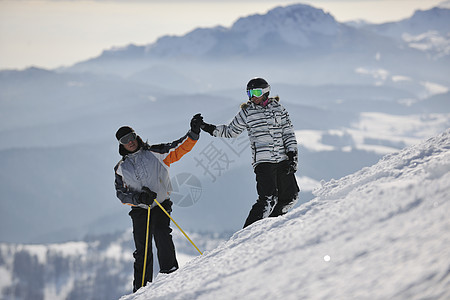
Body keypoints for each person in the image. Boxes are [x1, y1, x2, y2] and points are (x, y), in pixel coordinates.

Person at [114, 113, 203, 293]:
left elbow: (178, 148)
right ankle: (141, 289)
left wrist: (193, 133)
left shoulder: (156, 153)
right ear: (121, 144)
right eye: (125, 140)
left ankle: (169, 272)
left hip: (161, 204)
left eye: (131, 137)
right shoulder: (121, 168)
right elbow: (121, 194)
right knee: (142, 249)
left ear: (136, 136)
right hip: (140, 210)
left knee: (162, 233)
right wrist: (138, 198)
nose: (130, 142)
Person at [201, 77, 299, 228]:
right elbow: (230, 131)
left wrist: (292, 156)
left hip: (282, 159)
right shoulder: (247, 113)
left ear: (266, 92)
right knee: (268, 198)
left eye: (256, 92)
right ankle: (247, 233)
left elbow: (288, 133)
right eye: (249, 93)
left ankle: (272, 224)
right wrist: (208, 128)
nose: (252, 96)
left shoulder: (279, 109)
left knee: (291, 196)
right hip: (263, 161)